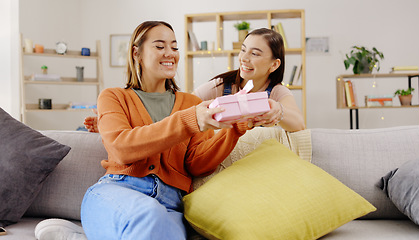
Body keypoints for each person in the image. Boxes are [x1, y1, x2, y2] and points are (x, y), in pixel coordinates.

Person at [80, 21, 251, 240]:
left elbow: (197, 164)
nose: (170, 53)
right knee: (148, 215)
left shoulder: (192, 102)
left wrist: (234, 130)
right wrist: (190, 120)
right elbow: (122, 148)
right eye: (160, 47)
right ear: (136, 53)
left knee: (155, 219)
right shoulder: (113, 97)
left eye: (174, 47)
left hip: (170, 204)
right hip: (117, 192)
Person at [84, 28, 305, 133]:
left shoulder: (276, 93)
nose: (244, 59)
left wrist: (279, 111)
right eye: (243, 50)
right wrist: (115, 122)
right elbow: (179, 114)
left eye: (255, 54)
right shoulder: (221, 86)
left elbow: (299, 124)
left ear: (274, 64)